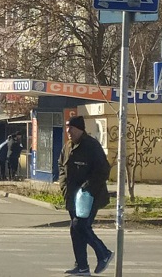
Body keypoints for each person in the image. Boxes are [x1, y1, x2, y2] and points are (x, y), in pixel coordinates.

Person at [58, 116, 114, 276]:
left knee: (80, 226)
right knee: (75, 230)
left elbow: (103, 170)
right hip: (71, 196)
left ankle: (104, 253)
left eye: (72, 128)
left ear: (80, 129)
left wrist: (87, 188)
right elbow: (61, 165)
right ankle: (81, 266)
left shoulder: (91, 145)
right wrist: (63, 186)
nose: (69, 131)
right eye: (67, 128)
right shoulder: (68, 146)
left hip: (89, 197)